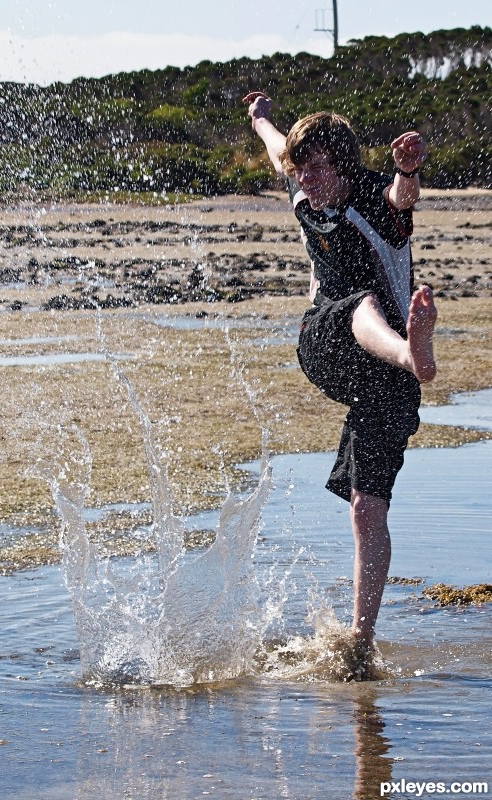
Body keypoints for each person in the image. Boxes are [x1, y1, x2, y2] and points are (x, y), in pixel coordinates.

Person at [243, 91, 437, 678]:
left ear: (346, 165)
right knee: (356, 302)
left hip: (390, 386)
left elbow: (403, 196)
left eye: (323, 165)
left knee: (367, 508)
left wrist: (408, 170)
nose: (311, 177)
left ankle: (359, 643)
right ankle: (412, 351)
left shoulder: (377, 202)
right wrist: (259, 118)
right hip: (327, 345)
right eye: (304, 168)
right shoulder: (300, 184)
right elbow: (278, 148)